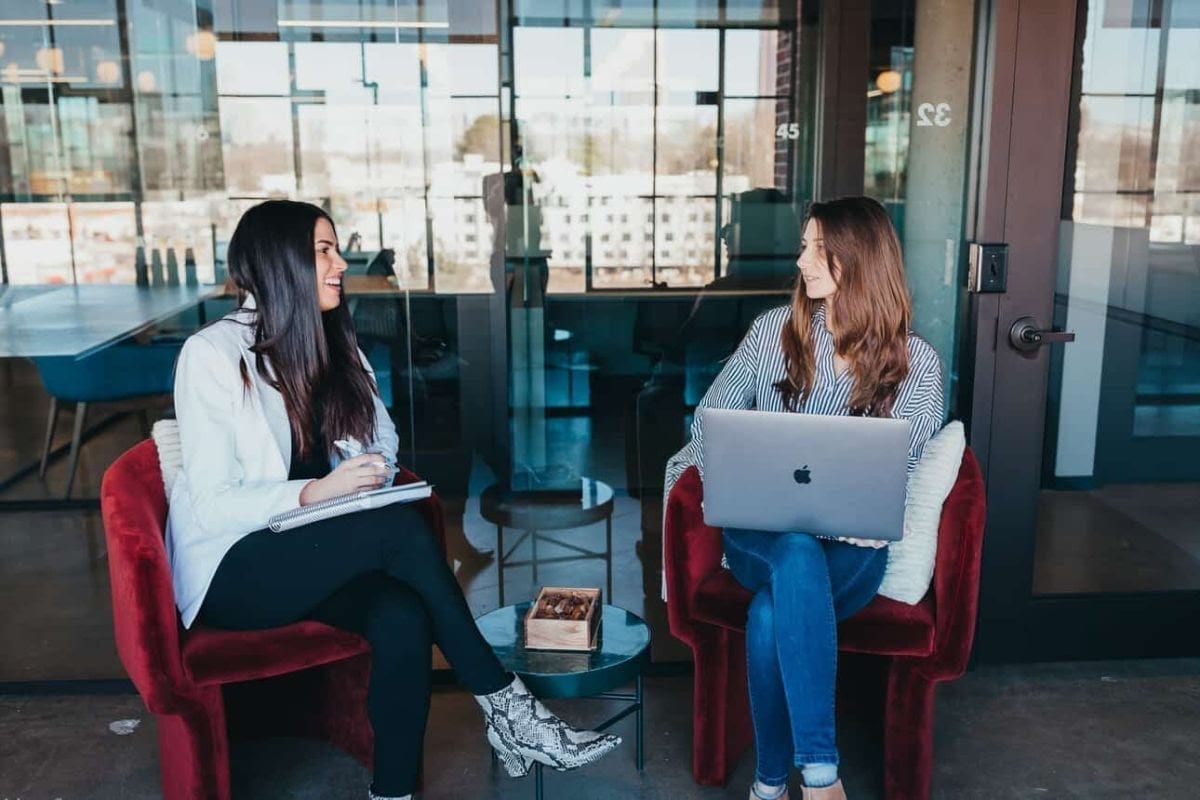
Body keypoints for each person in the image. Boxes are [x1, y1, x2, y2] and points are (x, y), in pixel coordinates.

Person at [165, 200, 620, 800]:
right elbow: (212, 503)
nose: (340, 264)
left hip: (315, 547)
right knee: (400, 531)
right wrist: (317, 490)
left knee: (401, 615)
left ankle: (394, 791)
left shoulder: (331, 341)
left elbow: (381, 434)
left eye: (335, 249)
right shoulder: (213, 355)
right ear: (280, 263)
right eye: (323, 251)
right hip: (235, 566)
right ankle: (511, 710)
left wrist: (363, 464)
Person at [664, 196, 944, 800]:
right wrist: (732, 471)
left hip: (854, 553)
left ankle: (768, 784)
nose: (802, 261)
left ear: (860, 260)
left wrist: (878, 506)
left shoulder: (916, 363)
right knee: (791, 544)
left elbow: (908, 457)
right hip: (759, 538)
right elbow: (710, 421)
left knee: (769, 612)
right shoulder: (774, 333)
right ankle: (821, 775)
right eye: (804, 246)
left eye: (818, 249)